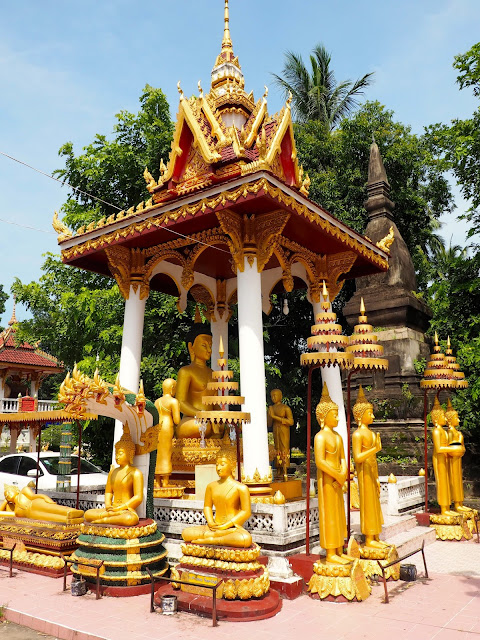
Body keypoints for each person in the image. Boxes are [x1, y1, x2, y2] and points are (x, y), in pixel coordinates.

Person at [181, 451, 252, 548]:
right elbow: (207, 506)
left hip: (231, 528)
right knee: (186, 533)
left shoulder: (241, 488)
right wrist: (210, 522)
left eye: (222, 464)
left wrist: (227, 525)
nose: (218, 468)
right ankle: (216, 537)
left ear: (232, 466)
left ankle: (212, 540)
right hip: (214, 527)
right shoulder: (211, 486)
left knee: (245, 538)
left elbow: (246, 511)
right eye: (217, 465)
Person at [314, 383, 349, 564]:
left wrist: (343, 474)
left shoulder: (338, 437)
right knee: (330, 515)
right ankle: (330, 553)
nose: (337, 417)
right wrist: (337, 475)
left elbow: (343, 458)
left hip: (338, 481)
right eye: (334, 414)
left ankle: (339, 548)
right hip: (328, 481)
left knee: (339, 515)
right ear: (323, 417)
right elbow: (320, 462)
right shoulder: (320, 437)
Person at [84, 424, 143, 526]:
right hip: (112, 509)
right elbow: (108, 492)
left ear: (130, 454)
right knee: (88, 514)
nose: (117, 456)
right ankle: (109, 518)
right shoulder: (113, 471)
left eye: (120, 453)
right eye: (116, 453)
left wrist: (121, 507)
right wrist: (108, 505)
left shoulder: (135, 473)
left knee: (130, 519)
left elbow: (138, 497)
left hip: (125, 510)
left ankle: (103, 521)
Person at [352, 386, 387, 549]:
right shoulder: (358, 434)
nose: (372, 416)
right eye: (369, 413)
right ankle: (369, 537)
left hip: (372, 474)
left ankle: (376, 535)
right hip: (364, 474)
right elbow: (358, 458)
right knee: (368, 505)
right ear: (360, 415)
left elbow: (373, 459)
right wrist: (374, 449)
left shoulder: (372, 434)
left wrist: (377, 478)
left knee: (375, 504)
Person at [175, 331, 216, 439]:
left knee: (231, 425)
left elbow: (215, 403)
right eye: (204, 345)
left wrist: (222, 416)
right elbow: (180, 402)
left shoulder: (213, 374)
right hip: (192, 419)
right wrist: (201, 414)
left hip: (210, 420)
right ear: (191, 347)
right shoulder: (186, 371)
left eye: (210, 346)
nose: (209, 350)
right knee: (202, 426)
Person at [431, 397, 462, 516]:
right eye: (443, 416)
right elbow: (438, 448)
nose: (445, 418)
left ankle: (449, 507)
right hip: (439, 459)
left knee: (447, 482)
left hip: (445, 458)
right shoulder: (436, 431)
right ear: (437, 419)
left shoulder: (443, 431)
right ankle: (444, 509)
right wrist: (453, 449)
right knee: (442, 483)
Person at [0, 484, 84, 524]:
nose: (7, 495)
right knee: (52, 517)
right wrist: (5, 502)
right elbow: (1, 513)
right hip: (32, 514)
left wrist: (45, 498)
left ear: (16, 490)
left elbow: (33, 496)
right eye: (5, 495)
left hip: (35, 504)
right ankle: (73, 519)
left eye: (8, 492)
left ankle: (74, 512)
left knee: (53, 509)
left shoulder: (23, 492)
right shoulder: (15, 510)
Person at [154, 378, 181, 488]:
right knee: (166, 453)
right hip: (167, 426)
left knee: (158, 453)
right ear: (172, 389)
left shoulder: (157, 401)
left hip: (157, 427)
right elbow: (177, 420)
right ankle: (165, 481)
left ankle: (157, 481)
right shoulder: (173, 401)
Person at [445, 398, 470, 513]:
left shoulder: (457, 432)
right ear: (449, 421)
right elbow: (451, 446)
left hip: (457, 459)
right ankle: (456, 503)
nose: (458, 420)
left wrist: (461, 440)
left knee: (459, 481)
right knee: (454, 481)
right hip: (452, 460)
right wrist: (459, 442)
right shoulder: (450, 432)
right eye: (456, 418)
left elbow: (462, 446)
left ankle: (460, 502)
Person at [267, 389, 294, 481]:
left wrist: (275, 417)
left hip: (284, 429)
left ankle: (285, 470)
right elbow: (269, 424)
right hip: (275, 429)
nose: (274, 398)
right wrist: (270, 414)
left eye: (275, 395)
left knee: (284, 448)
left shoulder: (285, 408)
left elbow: (291, 421)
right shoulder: (272, 408)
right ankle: (278, 470)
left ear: (280, 396)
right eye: (272, 396)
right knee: (277, 448)